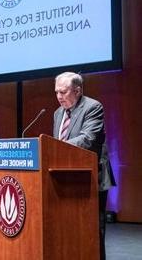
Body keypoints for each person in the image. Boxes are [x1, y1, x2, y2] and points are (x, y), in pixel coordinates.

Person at [53, 72, 116, 260]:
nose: (59, 96)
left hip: (91, 177)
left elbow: (88, 139)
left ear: (78, 91)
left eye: (63, 92)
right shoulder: (58, 113)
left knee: (92, 230)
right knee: (68, 229)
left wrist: (55, 147)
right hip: (64, 178)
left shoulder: (93, 107)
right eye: (56, 92)